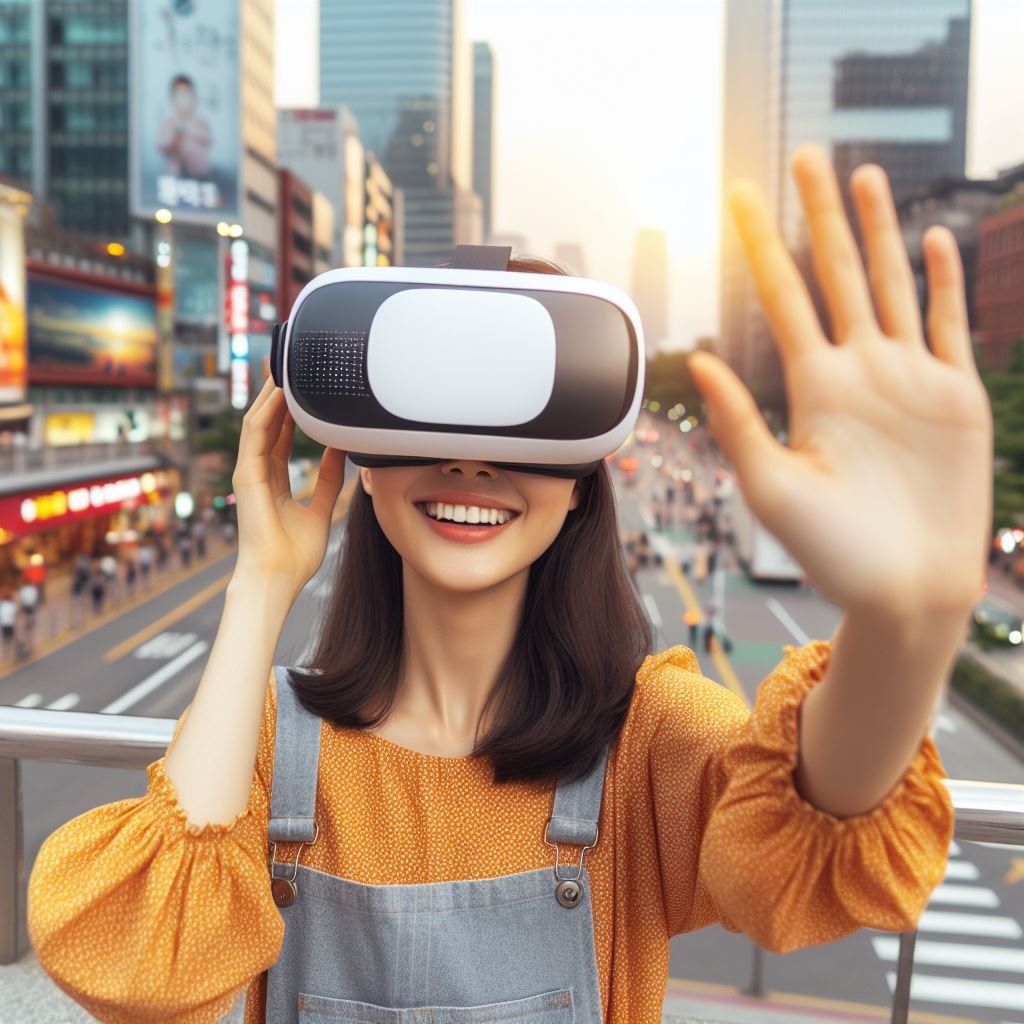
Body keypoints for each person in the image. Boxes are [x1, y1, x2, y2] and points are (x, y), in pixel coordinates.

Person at [27, 150, 987, 1024]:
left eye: (522, 422)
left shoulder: (645, 741)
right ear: (364, 457)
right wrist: (261, 582)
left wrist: (905, 619)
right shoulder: (272, 744)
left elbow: (794, 865)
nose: (471, 462)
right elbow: (143, 971)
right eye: (432, 409)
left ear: (579, 484)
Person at [0, 587, 16, 659]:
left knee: (5, 638)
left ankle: (5, 652)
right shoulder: (11, 605)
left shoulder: (2, 605)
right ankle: (10, 651)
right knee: (10, 638)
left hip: (4, 623)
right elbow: (14, 613)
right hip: (10, 623)